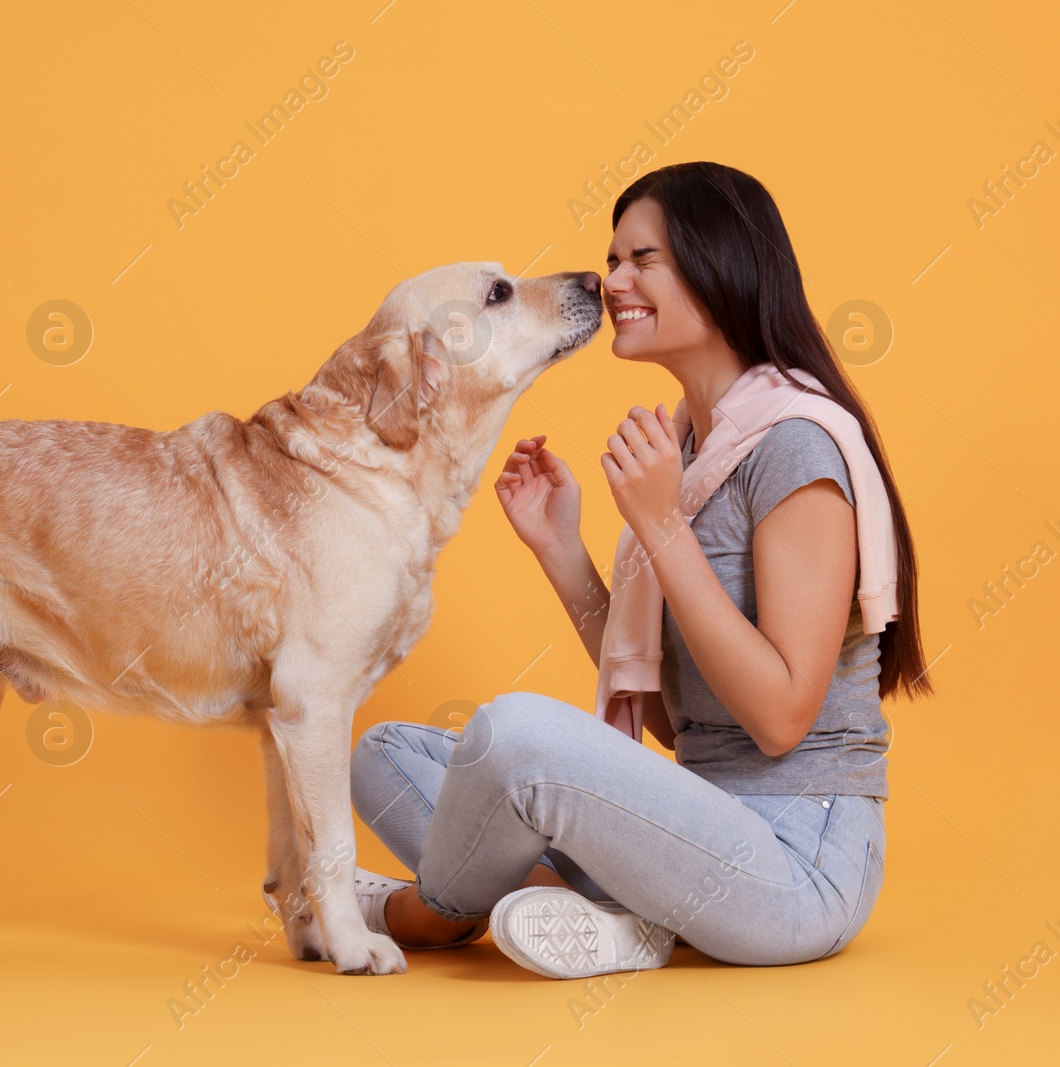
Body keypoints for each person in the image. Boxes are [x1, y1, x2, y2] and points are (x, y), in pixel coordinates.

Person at [348, 161, 932, 978]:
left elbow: (780, 718)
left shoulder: (797, 444)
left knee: (516, 737)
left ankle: (435, 913)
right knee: (383, 752)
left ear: (721, 263)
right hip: (697, 829)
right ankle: (630, 920)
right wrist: (562, 552)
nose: (611, 278)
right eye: (613, 258)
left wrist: (660, 525)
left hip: (796, 864)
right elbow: (678, 724)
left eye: (640, 259)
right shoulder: (690, 447)